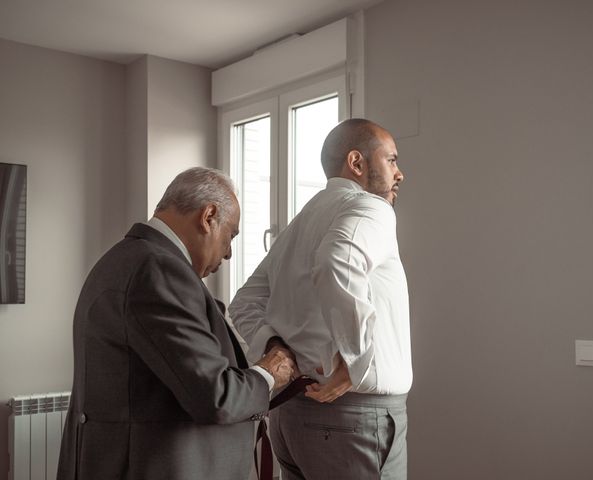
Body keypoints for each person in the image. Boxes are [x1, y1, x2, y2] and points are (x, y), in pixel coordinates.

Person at [57, 167, 296, 480]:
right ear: (208, 216)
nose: (229, 253)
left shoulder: (128, 258)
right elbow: (215, 396)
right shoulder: (158, 269)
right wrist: (267, 374)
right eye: (230, 235)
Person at [229, 118, 412, 479]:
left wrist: (277, 351)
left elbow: (244, 302)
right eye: (391, 160)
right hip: (354, 420)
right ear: (357, 163)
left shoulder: (300, 223)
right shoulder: (371, 208)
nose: (400, 173)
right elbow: (338, 262)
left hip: (291, 418)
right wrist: (354, 363)